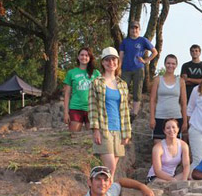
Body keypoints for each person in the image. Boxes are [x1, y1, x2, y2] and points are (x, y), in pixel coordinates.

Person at [89, 46, 131, 177]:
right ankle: (105, 195)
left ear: (117, 62)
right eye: (107, 60)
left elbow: (125, 110)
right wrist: (96, 130)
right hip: (104, 129)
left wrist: (127, 132)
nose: (111, 63)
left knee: (111, 172)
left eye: (113, 59)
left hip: (119, 130)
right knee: (110, 168)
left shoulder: (123, 84)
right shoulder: (96, 83)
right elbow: (92, 107)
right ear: (102, 62)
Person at [119, 21, 158, 119]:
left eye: (136, 28)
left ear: (139, 30)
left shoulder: (143, 40)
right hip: (125, 68)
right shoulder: (125, 41)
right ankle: (124, 109)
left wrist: (146, 60)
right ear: (129, 30)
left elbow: (155, 52)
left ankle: (134, 113)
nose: (134, 30)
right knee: (123, 90)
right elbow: (121, 56)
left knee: (137, 90)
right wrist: (118, 69)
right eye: (132, 28)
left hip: (138, 68)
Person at [149, 54, 188, 142]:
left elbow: (183, 102)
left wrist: (185, 121)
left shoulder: (181, 81)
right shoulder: (157, 80)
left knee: (174, 147)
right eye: (168, 63)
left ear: (176, 65)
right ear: (165, 64)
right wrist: (152, 118)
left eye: (173, 64)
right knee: (157, 144)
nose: (171, 66)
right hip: (160, 117)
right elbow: (152, 100)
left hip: (176, 117)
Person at [63, 47, 101, 132]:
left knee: (93, 139)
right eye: (82, 55)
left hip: (91, 109)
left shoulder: (96, 73)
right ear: (78, 57)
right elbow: (67, 94)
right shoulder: (71, 73)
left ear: (90, 58)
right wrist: (66, 113)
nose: (84, 57)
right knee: (74, 137)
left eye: (87, 55)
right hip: (75, 108)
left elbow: (100, 93)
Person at [147, 119, 190, 183]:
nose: (171, 130)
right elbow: (157, 171)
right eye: (168, 128)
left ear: (178, 129)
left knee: (190, 172)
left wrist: (184, 180)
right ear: (164, 131)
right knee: (166, 184)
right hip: (157, 177)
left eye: (173, 127)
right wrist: (171, 180)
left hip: (172, 177)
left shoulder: (183, 145)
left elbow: (186, 165)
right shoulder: (158, 148)